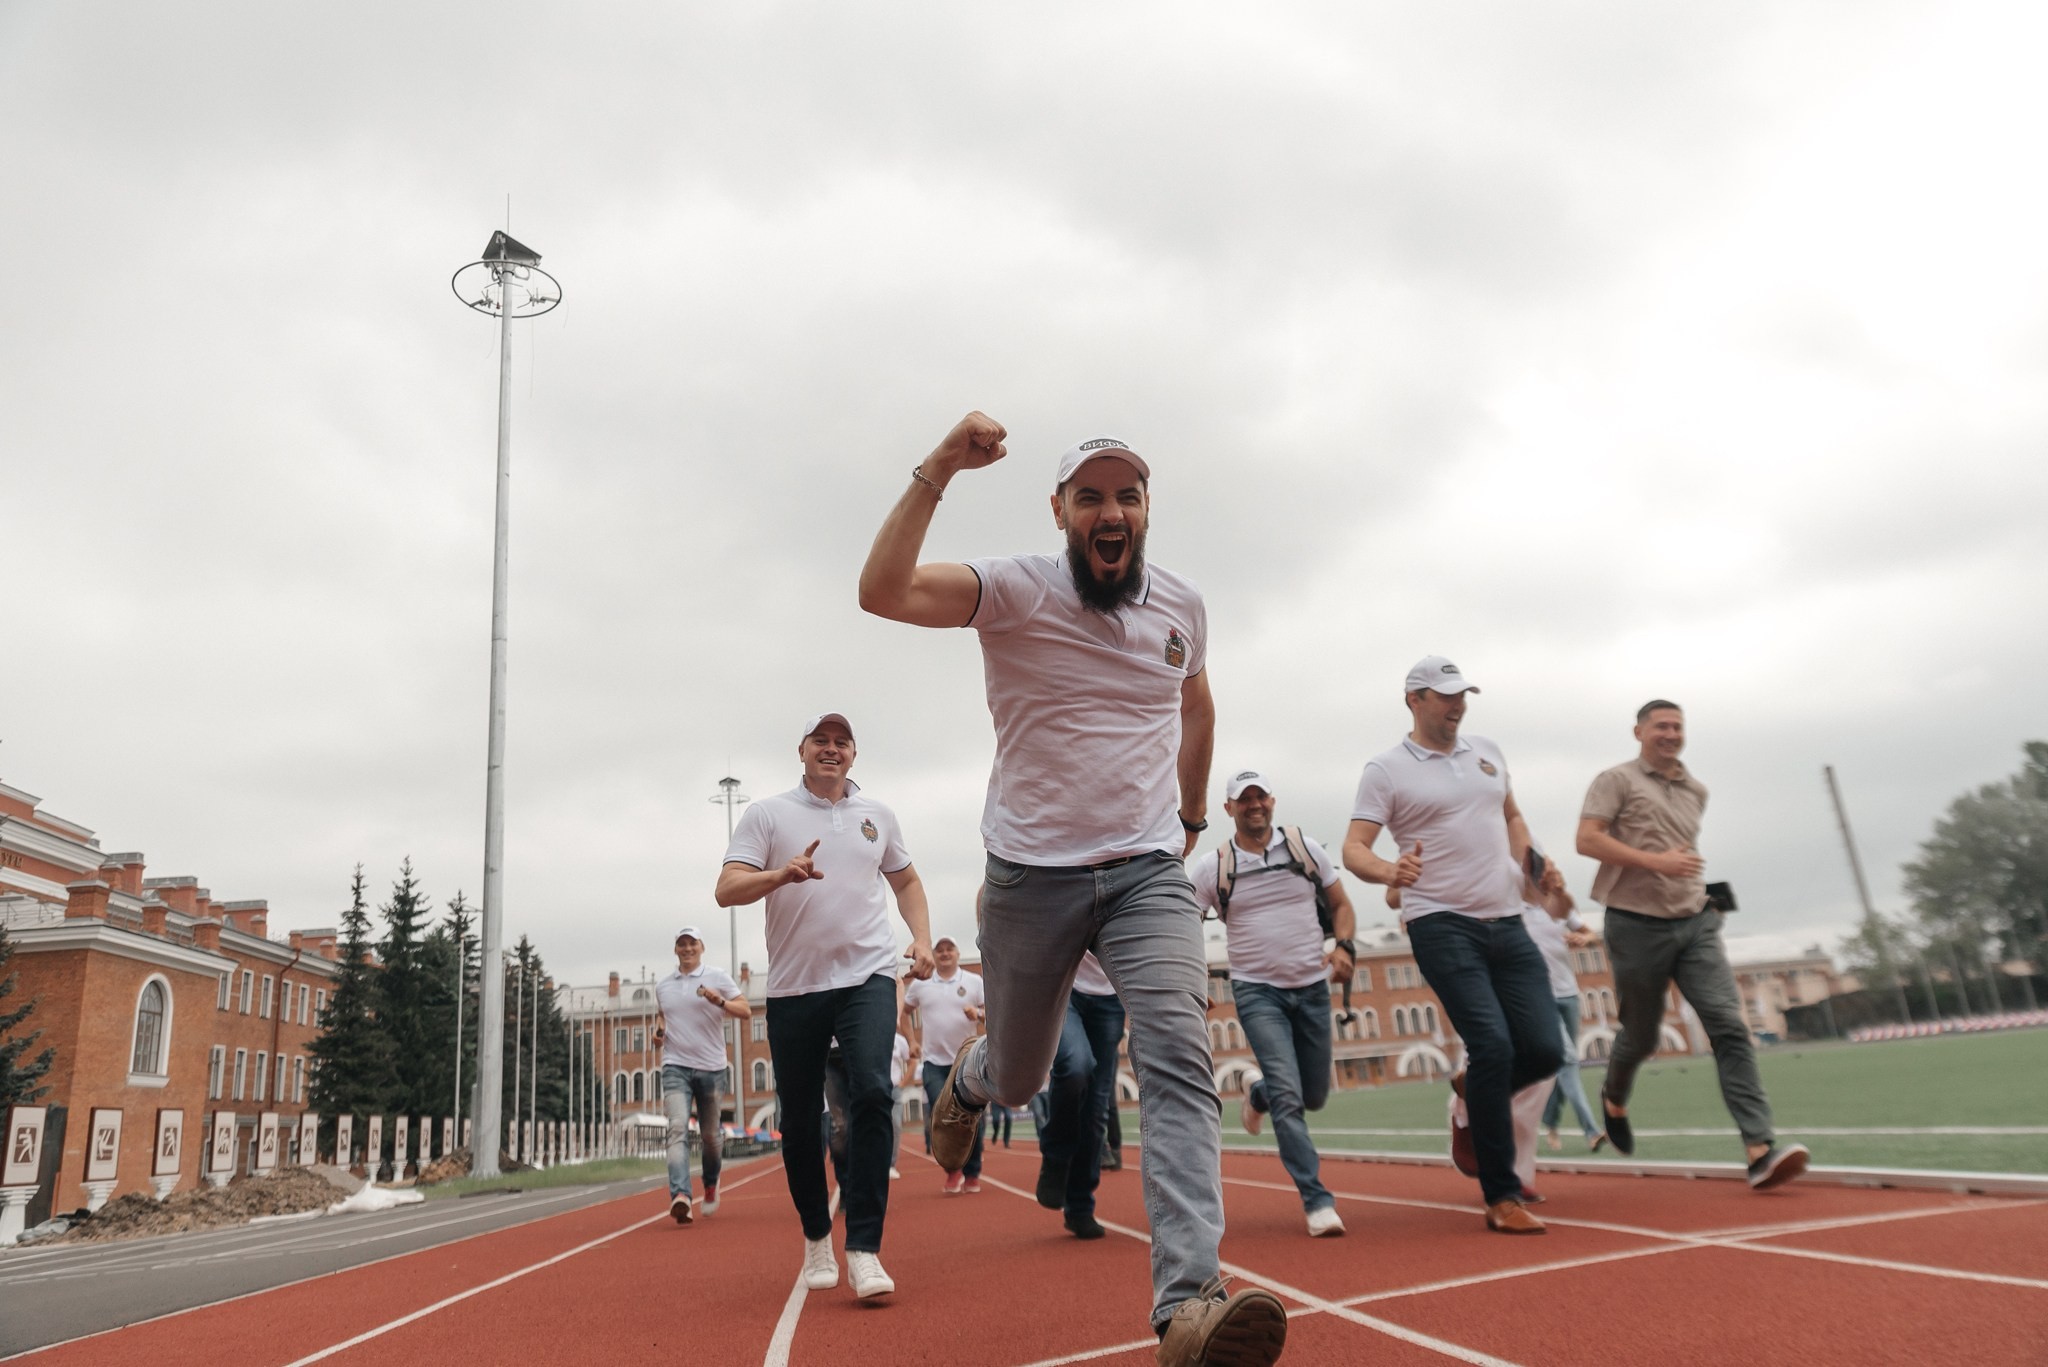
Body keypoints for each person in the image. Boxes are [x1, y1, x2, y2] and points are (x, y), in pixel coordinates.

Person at [859, 415, 1287, 1366]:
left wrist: (1185, 822)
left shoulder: (1182, 607)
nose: (1111, 510)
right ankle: (972, 1081)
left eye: (1127, 494)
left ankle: (1188, 1303)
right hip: (1030, 875)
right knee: (1020, 1071)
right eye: (1089, 495)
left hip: (1145, 872)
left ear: (1145, 512)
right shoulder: (1015, 588)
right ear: (1059, 510)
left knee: (1178, 1054)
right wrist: (939, 466)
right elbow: (882, 591)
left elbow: (1197, 701)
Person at [715, 712, 937, 1301]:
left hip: (867, 975)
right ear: (803, 750)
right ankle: (818, 1235)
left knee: (870, 1091)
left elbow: (907, 884)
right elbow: (726, 888)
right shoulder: (768, 814)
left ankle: (864, 1249)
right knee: (799, 1120)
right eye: (822, 741)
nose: (831, 750)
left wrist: (918, 937)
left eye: (842, 743)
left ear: (854, 755)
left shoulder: (878, 817)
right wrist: (780, 875)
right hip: (795, 987)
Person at [1343, 656, 1565, 1235]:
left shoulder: (1488, 751)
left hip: (1507, 918)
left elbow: (1512, 815)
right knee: (1492, 1044)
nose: (1457, 704)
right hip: (1440, 921)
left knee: (1544, 1051)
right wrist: (1391, 871)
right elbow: (1354, 849)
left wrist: (1533, 864)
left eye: (1462, 694)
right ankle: (1501, 1195)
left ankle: (1472, 1090)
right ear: (1415, 700)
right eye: (1444, 696)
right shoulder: (1386, 770)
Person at [1577, 701, 1810, 1189]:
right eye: (1661, 725)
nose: (1670, 733)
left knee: (1728, 1025)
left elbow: (1682, 853)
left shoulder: (1695, 791)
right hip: (1635, 925)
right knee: (1640, 1036)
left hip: (1695, 921)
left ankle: (1759, 1148)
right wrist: (1655, 863)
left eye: (1678, 727)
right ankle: (1614, 1096)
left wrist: (1696, 890)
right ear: (1639, 731)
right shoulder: (1615, 780)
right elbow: (1588, 840)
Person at [1189, 770, 1356, 1237]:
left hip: (1312, 985)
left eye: (1260, 796)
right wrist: (1191, 972)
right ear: (1228, 809)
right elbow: (1183, 917)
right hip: (1256, 990)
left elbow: (1342, 904)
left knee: (1313, 1095)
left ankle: (1257, 1092)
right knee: (1290, 1098)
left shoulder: (1304, 849)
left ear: (1272, 801)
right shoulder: (1215, 866)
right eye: (1243, 799)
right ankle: (1317, 1201)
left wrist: (1344, 947)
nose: (1254, 804)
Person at [655, 926, 749, 1224]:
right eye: (681, 944)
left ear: (701, 947)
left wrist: (718, 1001)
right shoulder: (664, 986)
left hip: (711, 1067)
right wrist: (658, 1033)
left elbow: (745, 1011)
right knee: (677, 1127)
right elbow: (663, 1014)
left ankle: (710, 1184)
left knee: (710, 1136)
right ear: (675, 950)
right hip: (675, 1064)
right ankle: (680, 1195)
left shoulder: (718, 977)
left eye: (692, 943)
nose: (687, 948)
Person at [1035, 950, 1126, 1239]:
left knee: (1097, 1109)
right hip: (1064, 986)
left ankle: (1080, 1206)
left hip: (1111, 998)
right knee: (1075, 1067)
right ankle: (1056, 1155)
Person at [1516, 865, 1605, 1153]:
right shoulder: (1515, 913)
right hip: (1540, 999)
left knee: (1560, 1069)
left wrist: (1584, 939)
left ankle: (1551, 1123)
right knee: (1568, 1062)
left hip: (1570, 996)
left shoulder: (1553, 908)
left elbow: (1590, 933)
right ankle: (1592, 1131)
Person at [903, 936, 987, 1193]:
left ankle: (972, 1173)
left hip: (968, 1061)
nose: (945, 953)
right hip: (934, 1062)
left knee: (971, 1116)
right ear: (935, 956)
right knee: (941, 1114)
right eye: (939, 950)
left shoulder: (974, 982)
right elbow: (904, 1014)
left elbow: (994, 1013)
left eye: (950, 948)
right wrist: (911, 1042)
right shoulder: (920, 985)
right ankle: (952, 1171)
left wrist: (979, 1014)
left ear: (958, 953)